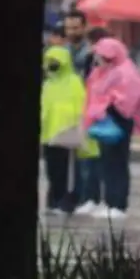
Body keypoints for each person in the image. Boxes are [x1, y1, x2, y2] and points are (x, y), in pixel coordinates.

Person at [84, 36, 140, 221]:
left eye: (102, 56)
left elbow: (131, 96)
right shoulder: (104, 71)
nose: (98, 60)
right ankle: (109, 201)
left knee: (117, 162)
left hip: (119, 119)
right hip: (106, 120)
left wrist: (109, 103)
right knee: (107, 162)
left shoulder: (124, 72)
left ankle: (118, 203)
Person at [40, 45, 93, 217]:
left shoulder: (74, 82)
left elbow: (80, 106)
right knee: (52, 170)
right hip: (48, 134)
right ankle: (53, 201)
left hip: (66, 134)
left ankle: (64, 201)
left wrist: (78, 126)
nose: (51, 65)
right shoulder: (48, 83)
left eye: (55, 62)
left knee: (66, 171)